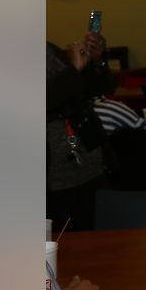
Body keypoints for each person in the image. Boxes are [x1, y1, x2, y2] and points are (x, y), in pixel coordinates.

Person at [47, 35, 109, 232]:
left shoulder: (50, 49)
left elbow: (95, 90)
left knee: (98, 240)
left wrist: (97, 61)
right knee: (63, 246)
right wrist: (74, 70)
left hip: (89, 163)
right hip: (55, 176)